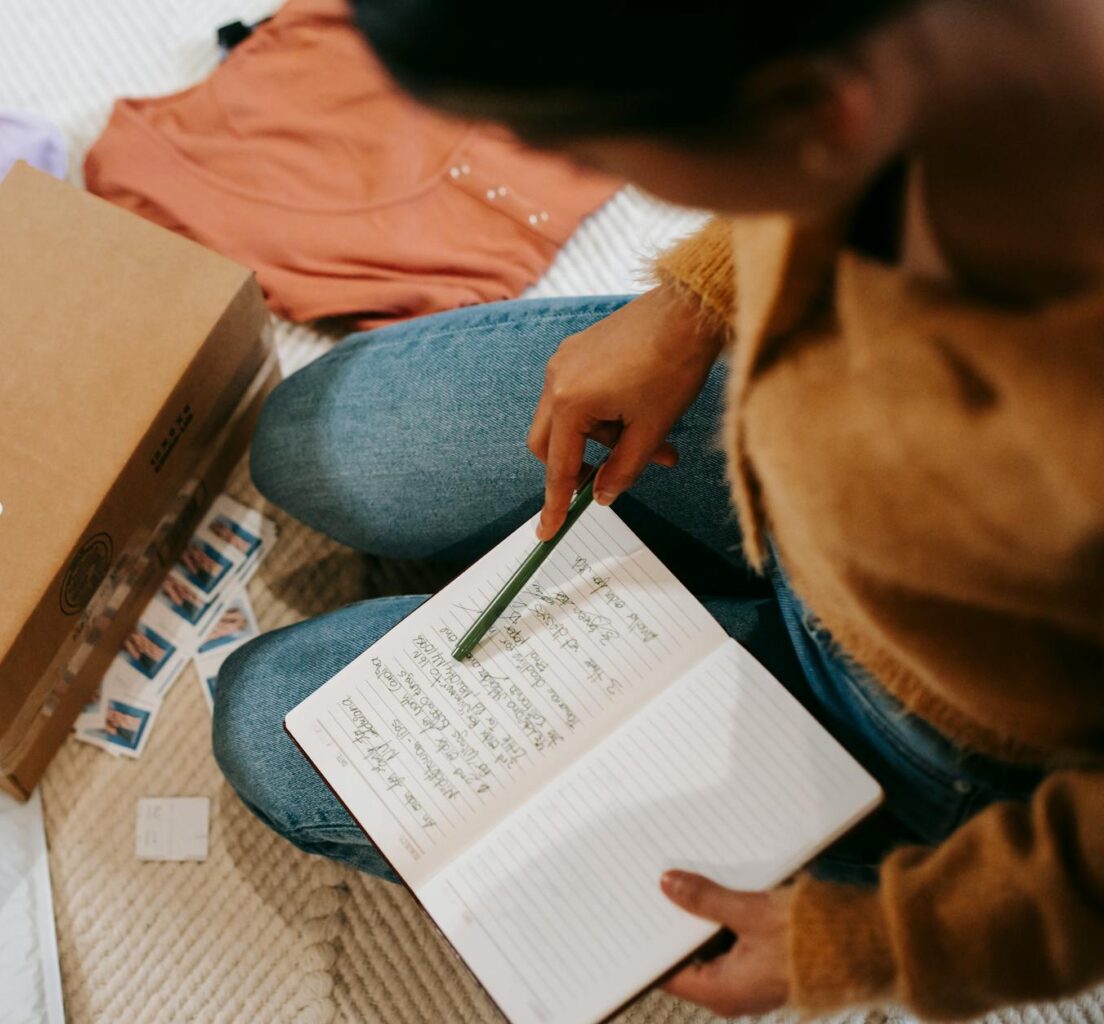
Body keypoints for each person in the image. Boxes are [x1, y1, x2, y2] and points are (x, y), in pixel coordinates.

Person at [210, 0, 1104, 1018]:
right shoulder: (881, 69)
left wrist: (878, 940)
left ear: (812, 111)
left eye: (583, 148)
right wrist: (696, 303)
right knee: (312, 436)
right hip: (764, 435)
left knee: (272, 719)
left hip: (937, 722)